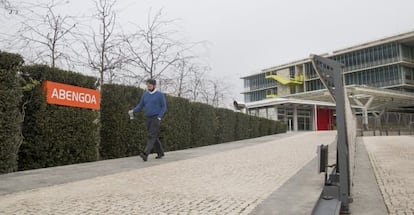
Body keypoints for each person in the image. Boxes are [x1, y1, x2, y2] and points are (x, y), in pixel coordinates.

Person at [129, 79, 167, 161]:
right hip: (148, 118)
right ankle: (160, 153)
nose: (148, 87)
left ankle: (145, 154)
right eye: (147, 85)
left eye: (150, 85)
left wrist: (159, 117)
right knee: (154, 136)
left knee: (151, 136)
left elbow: (164, 107)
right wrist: (133, 111)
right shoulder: (145, 95)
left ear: (154, 85)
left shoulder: (160, 95)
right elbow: (140, 105)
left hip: (156, 117)